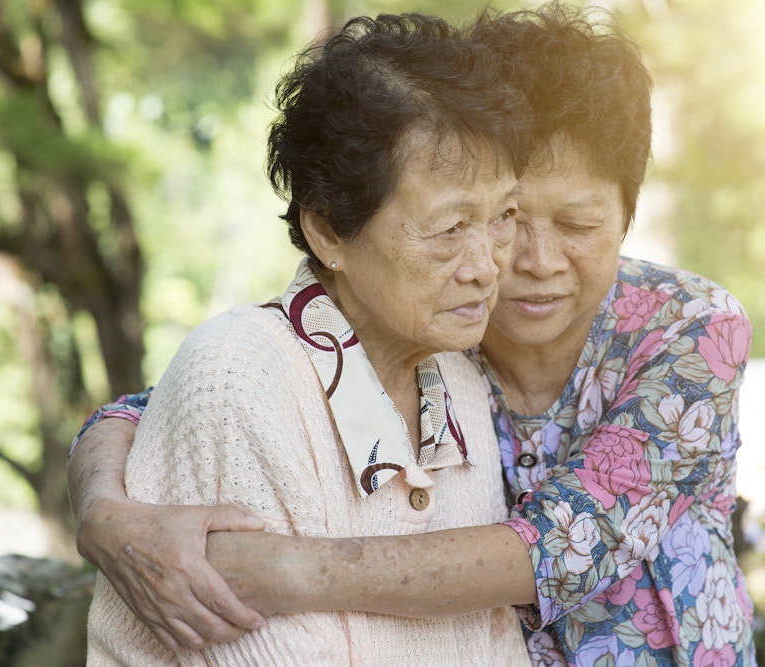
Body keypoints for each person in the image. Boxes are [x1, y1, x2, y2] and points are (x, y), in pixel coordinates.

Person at [70, 4, 759, 665]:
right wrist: (106, 516)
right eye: (509, 217)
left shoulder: (689, 329)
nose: (530, 263)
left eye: (578, 226)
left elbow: (563, 545)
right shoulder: (443, 325)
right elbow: (169, 403)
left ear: (627, 216)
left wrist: (287, 566)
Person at [82, 11, 537, 666]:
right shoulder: (241, 376)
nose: (487, 263)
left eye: (502, 217)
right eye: (449, 228)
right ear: (327, 229)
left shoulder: (459, 383)